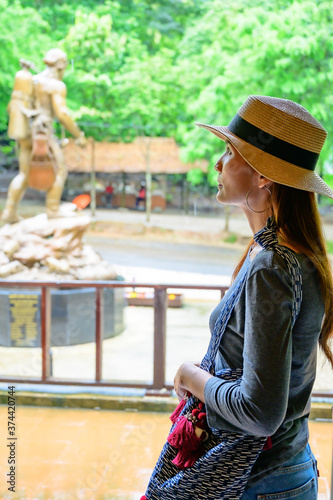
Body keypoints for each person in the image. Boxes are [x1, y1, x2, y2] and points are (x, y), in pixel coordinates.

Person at [144, 96, 333, 499]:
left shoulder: (271, 265)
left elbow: (260, 412)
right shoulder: (293, 255)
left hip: (257, 479)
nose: (218, 163)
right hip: (284, 469)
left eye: (230, 152)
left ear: (263, 176)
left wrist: (190, 376)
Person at [2, 48, 86, 223]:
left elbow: (12, 107)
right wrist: (79, 135)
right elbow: (62, 114)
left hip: (25, 133)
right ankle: (53, 210)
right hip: (42, 133)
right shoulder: (55, 85)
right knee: (60, 171)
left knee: (24, 174)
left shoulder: (31, 81)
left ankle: (9, 212)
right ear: (61, 66)